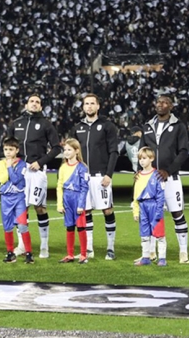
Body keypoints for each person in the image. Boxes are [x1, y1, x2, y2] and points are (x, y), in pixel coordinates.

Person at [7, 94, 63, 259]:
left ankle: (44, 246)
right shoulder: (16, 123)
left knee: (40, 207)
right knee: (21, 209)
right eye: (31, 101)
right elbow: (7, 145)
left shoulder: (46, 124)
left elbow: (56, 148)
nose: (34, 104)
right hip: (19, 172)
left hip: (37, 172)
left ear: (41, 107)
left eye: (37, 102)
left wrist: (40, 162)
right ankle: (22, 245)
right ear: (26, 104)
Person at [69, 94, 119, 261]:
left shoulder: (107, 126)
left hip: (101, 176)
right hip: (83, 177)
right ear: (83, 107)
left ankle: (110, 248)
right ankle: (89, 249)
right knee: (86, 211)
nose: (89, 106)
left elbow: (114, 152)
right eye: (86, 104)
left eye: (92, 103)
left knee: (107, 210)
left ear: (98, 106)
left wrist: (108, 174)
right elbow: (71, 153)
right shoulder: (77, 128)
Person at [141, 95, 189, 264]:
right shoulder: (148, 126)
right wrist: (140, 171)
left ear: (171, 106)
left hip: (171, 179)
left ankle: (183, 252)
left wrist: (168, 170)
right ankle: (151, 252)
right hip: (151, 179)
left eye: (165, 102)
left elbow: (184, 151)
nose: (160, 105)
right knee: (152, 214)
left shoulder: (178, 126)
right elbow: (142, 151)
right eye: (158, 102)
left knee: (177, 214)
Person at [0, 137, 33, 264]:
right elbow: (2, 179)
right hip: (6, 198)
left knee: (22, 225)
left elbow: (16, 179)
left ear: (17, 150)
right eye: (6, 149)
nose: (8, 152)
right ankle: (10, 253)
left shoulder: (22, 164)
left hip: (18, 199)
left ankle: (29, 253)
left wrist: (9, 167)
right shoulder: (1, 163)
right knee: (7, 227)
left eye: (11, 149)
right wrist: (8, 167)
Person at [56, 138, 90, 264]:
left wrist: (81, 205)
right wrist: (60, 204)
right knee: (69, 227)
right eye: (65, 150)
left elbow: (84, 188)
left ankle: (83, 255)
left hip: (77, 199)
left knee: (80, 227)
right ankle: (70, 255)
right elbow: (59, 186)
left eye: (69, 150)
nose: (66, 152)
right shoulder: (63, 167)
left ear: (76, 151)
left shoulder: (82, 168)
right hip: (67, 200)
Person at [132, 147, 167, 266]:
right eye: (140, 159)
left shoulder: (157, 175)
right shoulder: (138, 176)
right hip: (143, 207)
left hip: (154, 206)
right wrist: (135, 211)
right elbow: (135, 196)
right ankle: (145, 257)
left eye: (144, 158)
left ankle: (162, 258)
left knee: (159, 234)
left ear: (151, 158)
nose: (141, 161)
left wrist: (159, 211)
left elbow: (161, 195)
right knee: (144, 233)